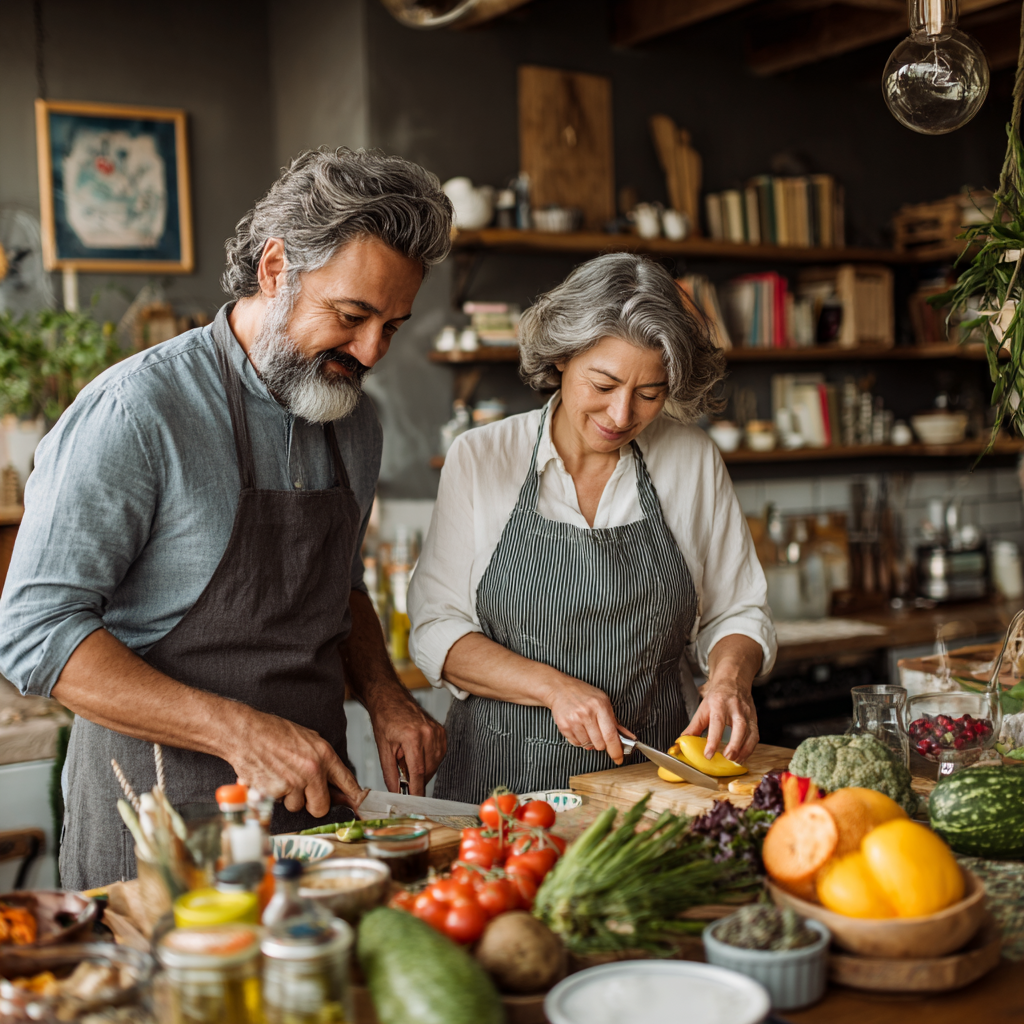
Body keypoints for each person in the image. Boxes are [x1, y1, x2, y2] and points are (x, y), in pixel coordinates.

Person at [0, 148, 452, 890]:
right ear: (275, 269)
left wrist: (384, 694)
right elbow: (35, 634)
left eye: (393, 327)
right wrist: (242, 733)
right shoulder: (138, 410)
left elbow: (337, 590)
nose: (372, 351)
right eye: (351, 315)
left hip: (315, 817)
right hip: (158, 827)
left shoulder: (352, 420)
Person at [408, 253, 776, 803]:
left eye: (650, 394)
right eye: (602, 383)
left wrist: (728, 680)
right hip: (501, 790)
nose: (622, 414)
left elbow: (738, 611)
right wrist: (554, 690)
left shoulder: (691, 460)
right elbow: (436, 630)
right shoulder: (482, 457)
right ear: (561, 358)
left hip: (652, 789)